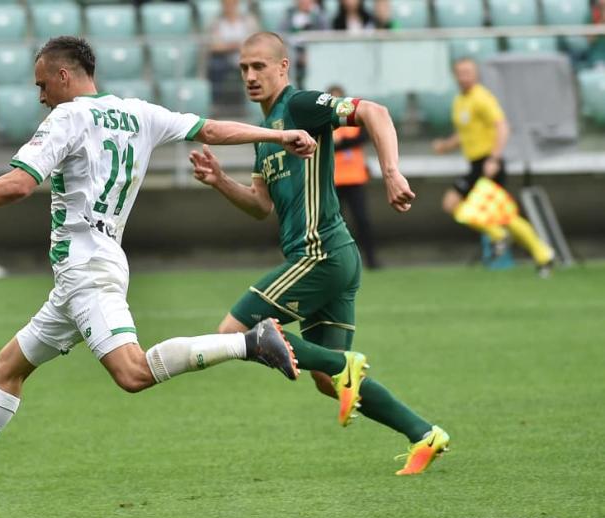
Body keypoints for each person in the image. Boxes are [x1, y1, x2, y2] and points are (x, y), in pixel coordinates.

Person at [0, 36, 328, 505]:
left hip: (87, 270)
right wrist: (275, 135)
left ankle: (249, 341)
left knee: (132, 374)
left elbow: (21, 184)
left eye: (42, 84)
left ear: (64, 76)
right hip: (82, 275)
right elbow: (210, 129)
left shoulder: (67, 116)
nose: (40, 96)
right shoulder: (139, 113)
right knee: (9, 366)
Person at [189, 32, 449, 475]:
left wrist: (390, 172)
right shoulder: (263, 133)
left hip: (320, 253)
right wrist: (219, 182)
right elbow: (260, 206)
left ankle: (342, 362)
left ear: (283, 67)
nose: (251, 76)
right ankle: (424, 434)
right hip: (335, 257)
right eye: (244, 69)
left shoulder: (301, 105)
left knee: (233, 330)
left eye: (259, 67)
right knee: (329, 384)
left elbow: (375, 111)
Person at [432, 58, 554, 276]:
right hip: (475, 164)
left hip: (488, 163)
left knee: (456, 203)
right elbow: (464, 132)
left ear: (476, 74)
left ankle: (504, 238)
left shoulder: (482, 97)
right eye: (460, 72)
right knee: (502, 215)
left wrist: (494, 159)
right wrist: (445, 145)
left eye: (467, 72)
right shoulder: (460, 101)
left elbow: (502, 126)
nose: (463, 76)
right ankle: (541, 253)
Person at [329, 84, 379, 269]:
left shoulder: (353, 120)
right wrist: (342, 144)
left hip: (355, 178)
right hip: (334, 179)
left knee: (362, 220)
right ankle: (340, 263)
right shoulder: (326, 121)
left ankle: (372, 260)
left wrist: (341, 143)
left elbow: (364, 136)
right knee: (337, 225)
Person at [207, 0, 259, 110]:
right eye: (226, 4)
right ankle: (216, 104)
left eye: (232, 3)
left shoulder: (248, 21)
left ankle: (252, 104)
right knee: (215, 66)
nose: (229, 6)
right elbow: (214, 46)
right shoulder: (216, 22)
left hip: (246, 57)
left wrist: (234, 46)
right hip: (224, 58)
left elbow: (255, 42)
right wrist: (233, 46)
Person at [280, 0, 328, 89]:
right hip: (293, 55)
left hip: (315, 56)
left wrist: (311, 53)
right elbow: (282, 36)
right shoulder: (289, 16)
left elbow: (326, 38)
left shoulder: (319, 17)